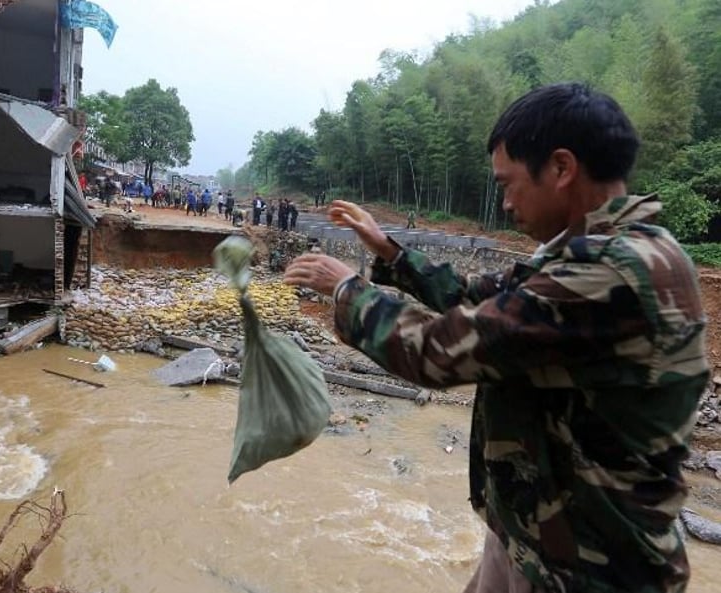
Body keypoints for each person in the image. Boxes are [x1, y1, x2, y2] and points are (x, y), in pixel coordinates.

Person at [284, 83, 708, 593]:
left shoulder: (617, 272)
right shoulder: (584, 253)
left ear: (561, 168)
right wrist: (389, 251)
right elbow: (479, 296)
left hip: (591, 569)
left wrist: (347, 289)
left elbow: (439, 353)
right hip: (536, 537)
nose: (504, 202)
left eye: (508, 184)